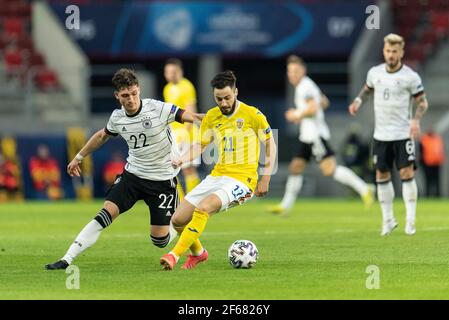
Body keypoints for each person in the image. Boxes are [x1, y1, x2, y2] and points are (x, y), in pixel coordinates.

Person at [45, 68, 203, 270]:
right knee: (105, 214)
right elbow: (102, 136)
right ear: (117, 96)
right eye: (125, 95)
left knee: (160, 241)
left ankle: (179, 223)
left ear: (139, 90)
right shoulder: (117, 118)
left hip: (162, 181)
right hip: (133, 176)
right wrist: (78, 157)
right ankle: (67, 258)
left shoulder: (157, 108)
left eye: (134, 93)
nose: (131, 99)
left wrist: (216, 119)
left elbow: (190, 116)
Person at [159, 70, 276, 270]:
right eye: (218, 99)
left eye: (227, 98)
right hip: (218, 175)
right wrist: (181, 158)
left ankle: (173, 255)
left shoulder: (253, 114)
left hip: (242, 180)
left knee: (204, 208)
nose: (223, 103)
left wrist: (265, 178)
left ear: (236, 92)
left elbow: (270, 144)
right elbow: (200, 146)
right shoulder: (212, 116)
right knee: (178, 220)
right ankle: (198, 253)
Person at [269, 55, 373, 215]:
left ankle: (364, 188)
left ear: (303, 71)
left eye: (295, 71)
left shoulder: (304, 87)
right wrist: (309, 109)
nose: (292, 75)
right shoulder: (309, 85)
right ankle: (285, 206)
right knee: (296, 167)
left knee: (329, 169)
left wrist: (296, 114)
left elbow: (312, 109)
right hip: (307, 136)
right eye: (290, 72)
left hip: (315, 135)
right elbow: (324, 102)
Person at [348, 33, 429, 236]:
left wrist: (416, 120)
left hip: (402, 134)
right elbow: (367, 90)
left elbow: (422, 103)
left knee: (406, 173)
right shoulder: (375, 73)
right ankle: (388, 220)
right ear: (383, 51)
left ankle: (410, 220)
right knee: (381, 175)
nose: (391, 55)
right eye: (387, 51)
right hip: (381, 135)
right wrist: (358, 101)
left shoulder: (410, 76)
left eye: (394, 51)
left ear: (401, 52)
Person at [163, 58, 201, 199]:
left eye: (173, 72)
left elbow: (191, 111)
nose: (170, 75)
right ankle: (180, 200)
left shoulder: (187, 86)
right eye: (167, 72)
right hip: (174, 133)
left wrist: (185, 132)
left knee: (188, 169)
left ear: (180, 72)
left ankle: (194, 199)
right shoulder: (167, 88)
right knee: (171, 168)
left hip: (187, 133)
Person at [419, 127, 444, 197]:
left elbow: (440, 151)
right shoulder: (424, 139)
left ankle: (438, 195)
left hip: (436, 163)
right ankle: (427, 195)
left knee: (437, 180)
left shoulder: (437, 139)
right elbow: (421, 152)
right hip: (427, 164)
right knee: (428, 180)